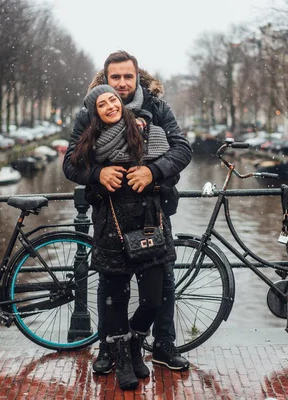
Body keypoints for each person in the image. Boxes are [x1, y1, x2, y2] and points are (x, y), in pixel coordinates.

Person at [63, 51, 192, 374]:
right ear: (106, 79)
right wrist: (97, 175)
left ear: (138, 77)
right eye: (115, 77)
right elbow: (70, 163)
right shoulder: (89, 112)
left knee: (161, 284)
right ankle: (109, 349)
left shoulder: (157, 108)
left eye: (127, 77)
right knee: (111, 284)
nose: (121, 83)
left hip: (153, 210)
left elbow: (181, 148)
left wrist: (153, 172)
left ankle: (163, 343)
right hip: (110, 214)